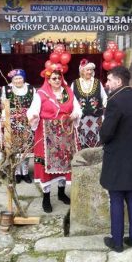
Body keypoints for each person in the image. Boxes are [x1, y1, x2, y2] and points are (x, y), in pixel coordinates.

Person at [100, 66, 132, 253]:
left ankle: (117, 242)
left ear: (119, 81)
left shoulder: (115, 101)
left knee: (116, 197)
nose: (107, 83)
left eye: (109, 80)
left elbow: (106, 133)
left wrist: (103, 134)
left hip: (117, 158)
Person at [27, 64, 82, 213]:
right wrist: (33, 116)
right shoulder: (41, 94)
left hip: (66, 134)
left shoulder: (68, 92)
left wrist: (75, 114)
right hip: (47, 135)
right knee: (47, 166)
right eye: (54, 78)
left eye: (59, 77)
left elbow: (77, 108)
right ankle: (46, 198)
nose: (57, 80)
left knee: (65, 163)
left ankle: (61, 193)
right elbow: (33, 110)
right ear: (48, 80)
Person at [2, 69, 35, 183]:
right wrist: (4, 120)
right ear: (12, 79)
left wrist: (33, 119)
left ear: (24, 78)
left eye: (20, 78)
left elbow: (35, 105)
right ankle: (16, 172)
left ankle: (25, 172)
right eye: (15, 78)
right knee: (15, 148)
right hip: (13, 123)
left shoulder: (31, 89)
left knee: (26, 148)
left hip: (27, 122)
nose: (18, 80)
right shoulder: (7, 89)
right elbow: (4, 106)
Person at [71, 59, 107, 148]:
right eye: (87, 70)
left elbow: (104, 97)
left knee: (98, 143)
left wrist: (106, 110)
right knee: (82, 143)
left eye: (91, 70)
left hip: (96, 119)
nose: (90, 72)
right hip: (81, 120)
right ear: (82, 71)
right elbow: (71, 99)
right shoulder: (75, 83)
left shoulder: (97, 82)